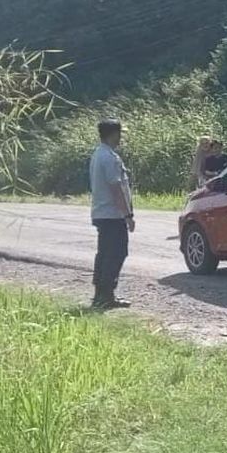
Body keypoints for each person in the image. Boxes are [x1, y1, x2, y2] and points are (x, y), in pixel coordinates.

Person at [90, 119, 135, 310]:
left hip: (102, 212)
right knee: (116, 253)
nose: (121, 137)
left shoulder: (98, 154)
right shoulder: (109, 158)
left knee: (105, 253)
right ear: (113, 134)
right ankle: (106, 295)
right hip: (112, 214)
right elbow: (116, 188)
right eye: (120, 133)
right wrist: (128, 215)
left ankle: (101, 293)